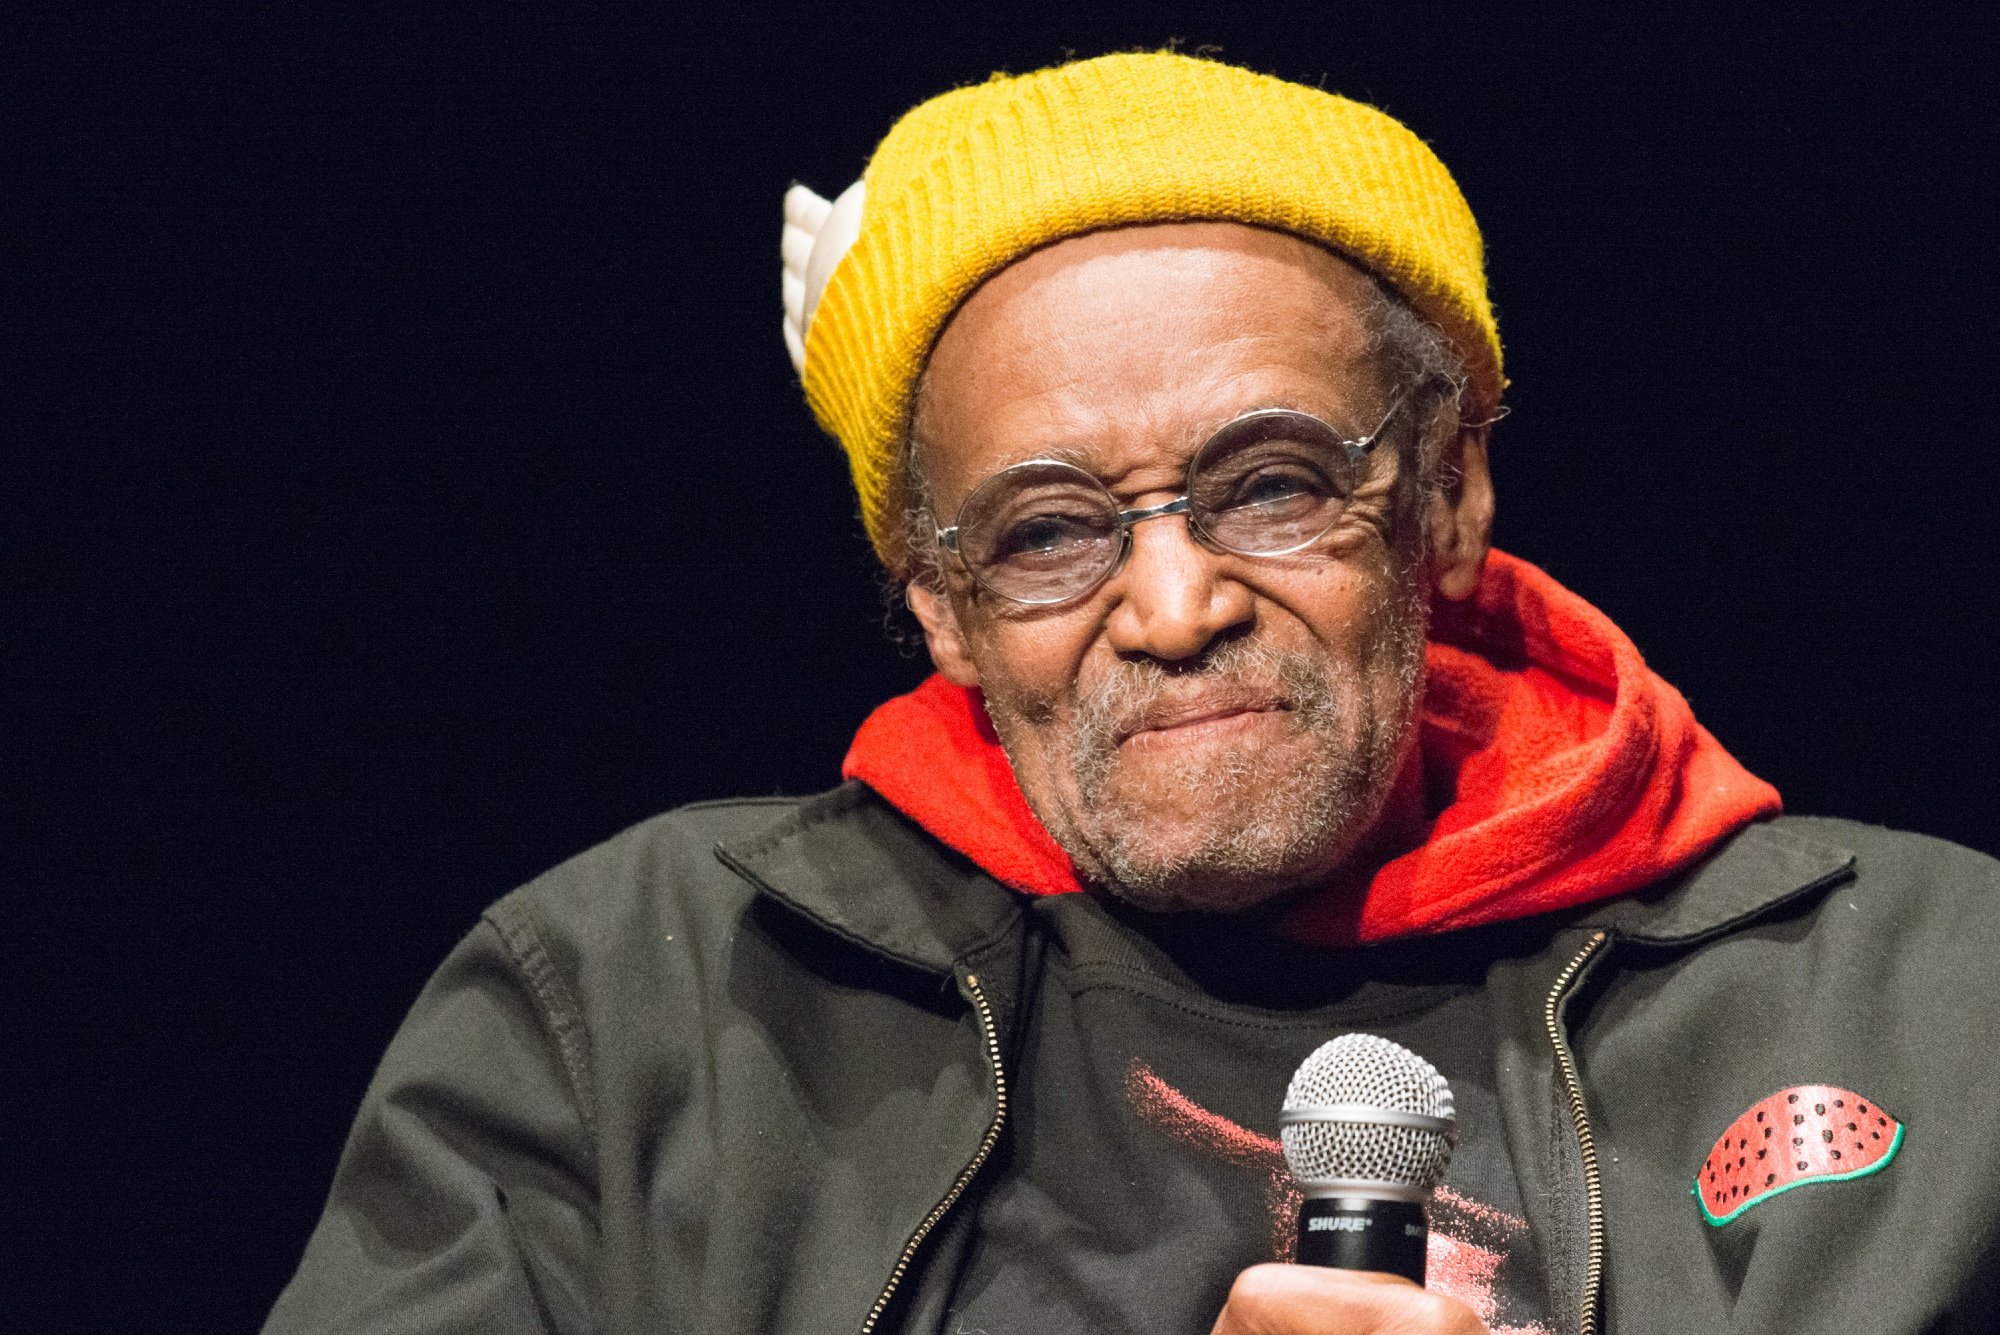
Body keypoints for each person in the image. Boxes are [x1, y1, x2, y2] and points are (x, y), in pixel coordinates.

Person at [264, 51, 2000, 1335]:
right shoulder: (635, 1012)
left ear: (1452, 496)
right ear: (939, 607)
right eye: (1047, 532)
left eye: (1271, 485)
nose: (1173, 607)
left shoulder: (1931, 993)